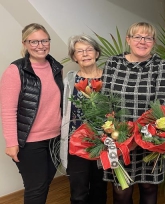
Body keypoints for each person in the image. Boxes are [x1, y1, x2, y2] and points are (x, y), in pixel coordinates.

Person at [101, 22, 165, 204]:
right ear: (128, 40)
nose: (142, 41)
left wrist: (139, 137)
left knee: (148, 187)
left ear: (153, 42)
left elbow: (162, 103)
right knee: (121, 190)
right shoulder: (113, 63)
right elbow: (105, 100)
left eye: (148, 37)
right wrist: (118, 137)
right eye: (137, 37)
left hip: (149, 137)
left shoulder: (161, 65)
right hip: (118, 138)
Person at [0, 23, 63, 204]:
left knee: (44, 184)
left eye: (44, 40)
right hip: (29, 141)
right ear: (25, 43)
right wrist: (11, 143)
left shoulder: (56, 68)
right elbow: (7, 109)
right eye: (33, 41)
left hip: (55, 139)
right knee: (36, 188)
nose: (40, 45)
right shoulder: (16, 70)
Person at [60, 34, 107, 204]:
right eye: (80, 51)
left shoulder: (109, 79)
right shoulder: (70, 81)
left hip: (102, 143)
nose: (85, 54)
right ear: (74, 56)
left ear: (96, 53)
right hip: (76, 144)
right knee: (78, 192)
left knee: (99, 189)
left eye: (89, 50)